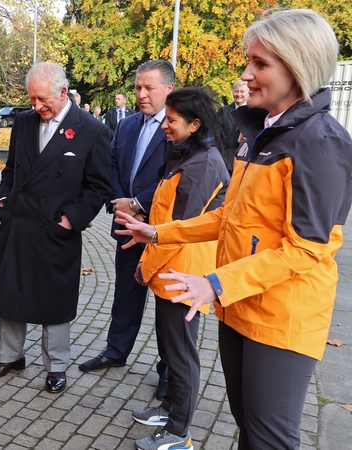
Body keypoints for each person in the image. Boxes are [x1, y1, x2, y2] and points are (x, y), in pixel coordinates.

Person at [115, 9, 352, 449]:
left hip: (280, 320)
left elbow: (306, 251)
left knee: (268, 439)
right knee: (248, 428)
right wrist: (159, 234)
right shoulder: (260, 133)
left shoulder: (320, 142)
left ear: (298, 65)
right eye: (249, 61)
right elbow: (230, 217)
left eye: (261, 64)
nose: (246, 74)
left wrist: (215, 282)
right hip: (239, 306)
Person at [0, 62, 112, 394]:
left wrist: (71, 219)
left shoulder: (90, 129)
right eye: (32, 99)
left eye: (42, 99)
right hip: (19, 224)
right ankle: (11, 356)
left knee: (55, 301)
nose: (37, 106)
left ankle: (56, 367)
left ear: (63, 92)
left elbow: (98, 187)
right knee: (11, 292)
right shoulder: (24, 123)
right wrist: (2, 199)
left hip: (56, 230)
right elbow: (11, 170)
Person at [129, 87, 229, 450]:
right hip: (170, 270)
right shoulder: (190, 154)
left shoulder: (204, 163)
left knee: (182, 355)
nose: (164, 127)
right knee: (171, 350)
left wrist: (145, 264)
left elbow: (181, 230)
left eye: (171, 121)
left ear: (195, 124)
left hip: (183, 274)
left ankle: (178, 432)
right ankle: (170, 408)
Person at [78, 59, 175, 402]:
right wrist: (120, 203)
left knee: (166, 304)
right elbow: (113, 165)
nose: (142, 94)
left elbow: (175, 176)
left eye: (149, 87)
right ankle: (116, 351)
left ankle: (169, 370)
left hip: (162, 229)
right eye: (137, 87)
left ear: (169, 89)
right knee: (125, 292)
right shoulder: (128, 125)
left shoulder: (178, 128)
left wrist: (137, 202)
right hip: (126, 225)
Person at [218, 80, 249, 174]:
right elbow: (215, 133)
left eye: (242, 91)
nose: (238, 94)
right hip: (224, 161)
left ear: (248, 93)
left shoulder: (254, 113)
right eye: (236, 91)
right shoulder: (223, 110)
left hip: (244, 161)